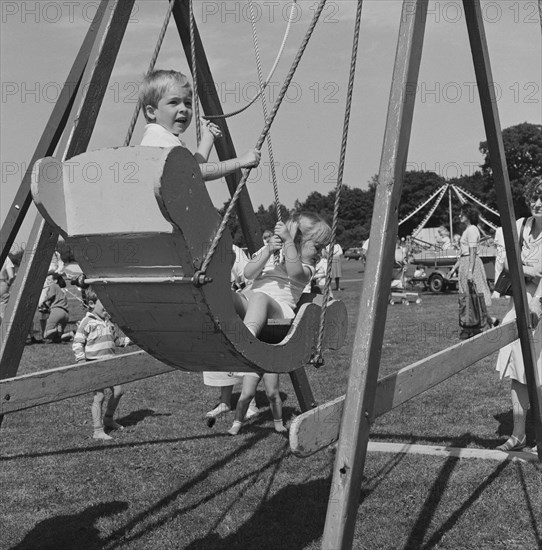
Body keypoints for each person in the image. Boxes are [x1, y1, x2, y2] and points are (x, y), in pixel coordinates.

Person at [227, 212, 332, 435]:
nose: (321, 253)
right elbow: (248, 273)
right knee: (226, 295)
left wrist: (287, 244)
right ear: (299, 240)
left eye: (323, 248)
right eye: (317, 246)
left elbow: (294, 273)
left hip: (279, 319)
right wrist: (268, 250)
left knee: (259, 297)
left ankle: (243, 344)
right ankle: (238, 340)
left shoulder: (307, 267)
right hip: (255, 311)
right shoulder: (271, 252)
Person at [138, 69, 260, 179]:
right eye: (174, 102)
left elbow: (192, 170)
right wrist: (242, 161)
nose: (183, 109)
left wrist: (208, 138)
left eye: (187, 103)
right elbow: (195, 173)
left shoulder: (163, 137)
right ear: (151, 112)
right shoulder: (158, 138)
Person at [494, 176, 542, 452]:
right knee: (517, 372)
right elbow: (503, 264)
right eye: (534, 198)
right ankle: (519, 434)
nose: (537, 203)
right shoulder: (519, 226)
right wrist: (529, 272)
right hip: (519, 306)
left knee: (539, 374)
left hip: (539, 307)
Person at [203, 244, 258, 421]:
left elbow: (249, 277)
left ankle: (251, 403)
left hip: (234, 306)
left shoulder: (232, 248)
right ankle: (225, 402)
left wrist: (241, 300)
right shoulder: (200, 246)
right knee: (222, 355)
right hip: (213, 307)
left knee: (243, 354)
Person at [73, 289, 130, 440]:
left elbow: (117, 341)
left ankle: (108, 419)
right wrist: (81, 361)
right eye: (104, 307)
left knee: (118, 392)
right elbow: (77, 343)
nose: (107, 311)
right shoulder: (87, 322)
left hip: (111, 364)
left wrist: (132, 340)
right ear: (91, 304)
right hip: (94, 365)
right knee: (99, 396)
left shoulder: (109, 323)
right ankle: (97, 430)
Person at [447, 204, 496, 334]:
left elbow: (472, 252)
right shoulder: (467, 230)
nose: (459, 216)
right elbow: (463, 254)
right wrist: (453, 269)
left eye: (461, 214)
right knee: (468, 296)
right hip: (465, 263)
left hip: (471, 264)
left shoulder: (472, 230)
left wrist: (470, 271)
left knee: (475, 295)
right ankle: (485, 322)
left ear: (468, 215)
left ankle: (482, 324)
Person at [38, 271, 71, 343]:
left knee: (45, 335)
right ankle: (70, 333)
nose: (48, 282)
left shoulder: (53, 286)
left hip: (57, 311)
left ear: (55, 281)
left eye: (49, 280)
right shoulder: (61, 289)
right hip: (65, 313)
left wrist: (42, 302)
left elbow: (50, 296)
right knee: (56, 339)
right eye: (47, 280)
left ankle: (56, 329)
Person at [0, 254, 15, 322]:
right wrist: (8, 284)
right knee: (2, 312)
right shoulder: (6, 258)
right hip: (2, 285)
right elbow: (11, 276)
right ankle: (3, 330)